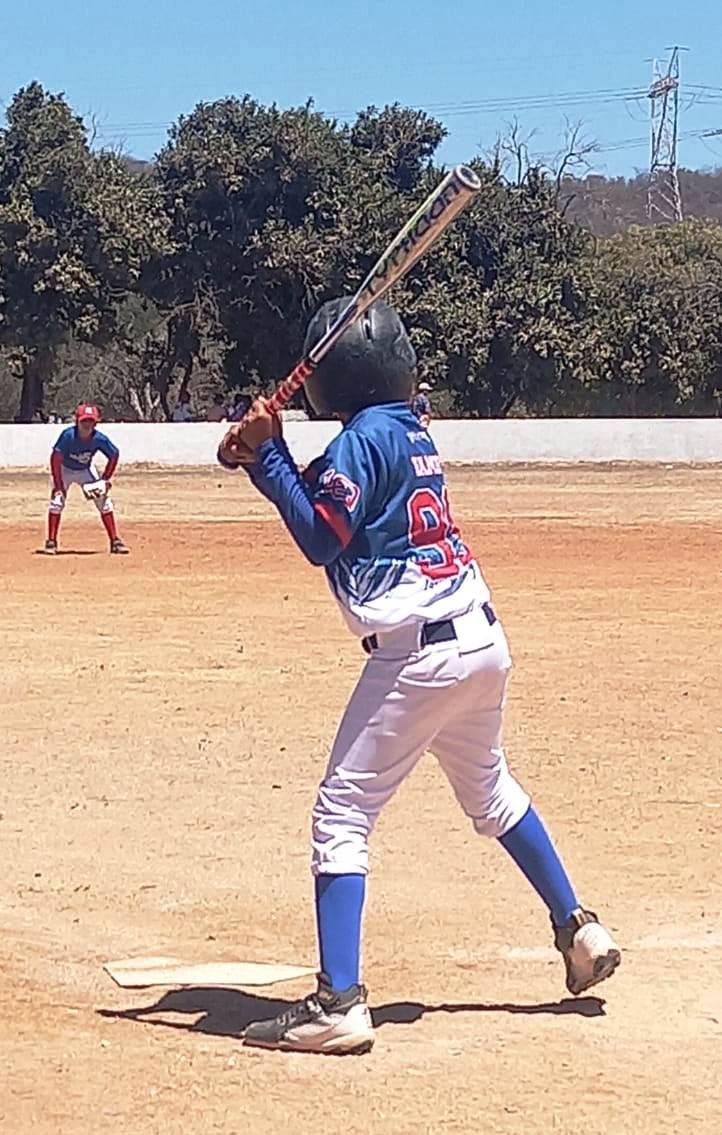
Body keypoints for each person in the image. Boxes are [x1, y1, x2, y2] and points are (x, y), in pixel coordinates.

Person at [217, 297, 620, 1056]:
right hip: (479, 638)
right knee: (492, 793)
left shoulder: (358, 442)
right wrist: (262, 458)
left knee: (342, 814)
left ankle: (339, 1003)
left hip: (417, 654)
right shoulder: (406, 428)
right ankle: (578, 927)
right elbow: (327, 496)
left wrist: (267, 456)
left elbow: (321, 535)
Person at [43, 403, 129, 556]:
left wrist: (105, 479)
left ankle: (115, 541)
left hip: (85, 470)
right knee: (57, 502)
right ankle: (51, 542)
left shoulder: (99, 439)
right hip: (65, 469)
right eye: (84, 421)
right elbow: (55, 458)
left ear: (96, 423)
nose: (87, 425)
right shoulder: (68, 436)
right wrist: (58, 485)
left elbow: (114, 454)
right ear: (77, 421)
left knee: (104, 502)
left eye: (91, 421)